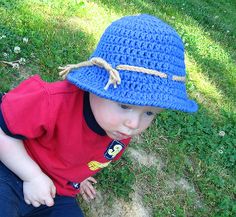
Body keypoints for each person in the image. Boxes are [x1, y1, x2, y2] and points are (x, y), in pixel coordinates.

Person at [0, 14, 198, 217]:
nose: (134, 123)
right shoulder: (51, 102)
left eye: (149, 112)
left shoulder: (117, 130)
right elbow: (3, 135)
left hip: (57, 192)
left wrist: (77, 175)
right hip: (12, 166)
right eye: (124, 105)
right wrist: (32, 176)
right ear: (95, 87)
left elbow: (88, 153)